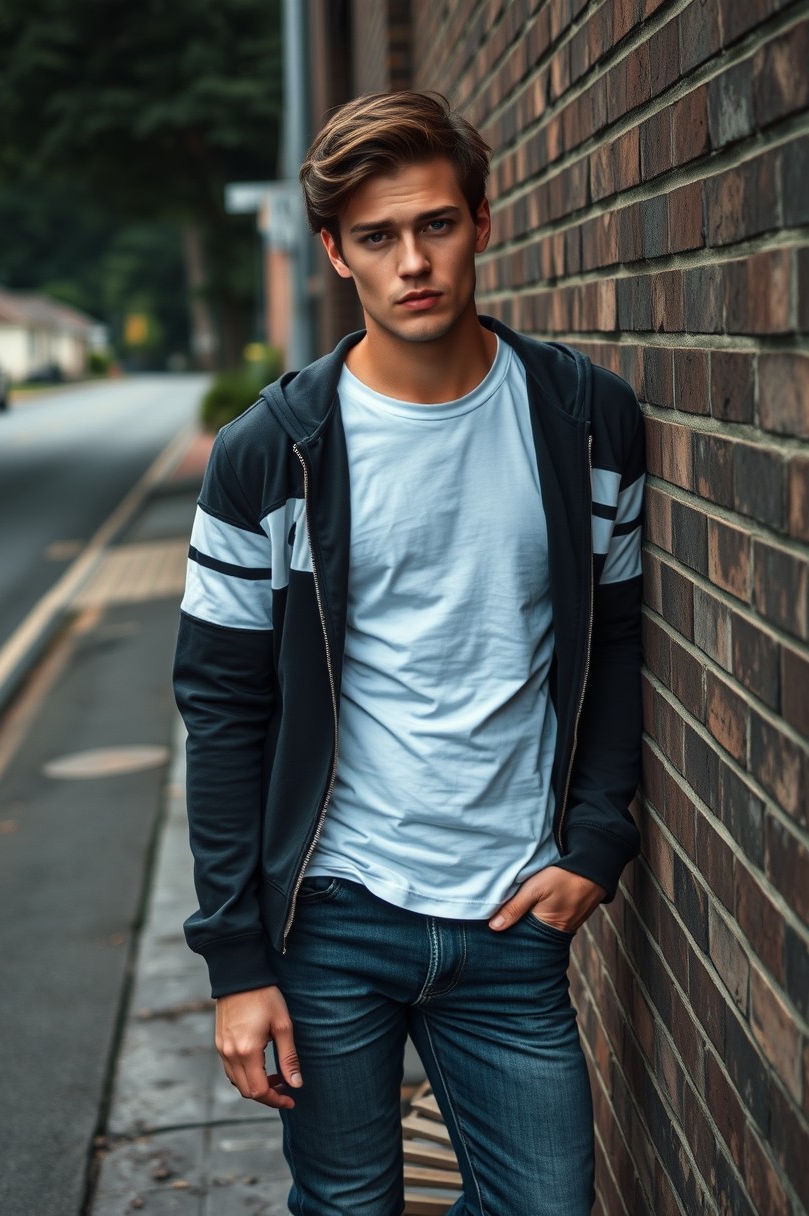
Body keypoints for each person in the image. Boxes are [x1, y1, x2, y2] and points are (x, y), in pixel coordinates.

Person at [173, 90, 644, 1216]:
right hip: (334, 916)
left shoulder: (586, 420)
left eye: (434, 223)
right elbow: (222, 705)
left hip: (513, 913)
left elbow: (619, 641)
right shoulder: (268, 457)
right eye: (377, 237)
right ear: (336, 253)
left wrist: (593, 837)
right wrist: (237, 965)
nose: (412, 262)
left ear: (482, 219)